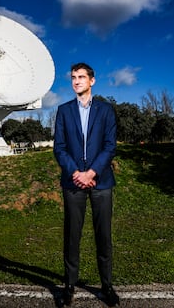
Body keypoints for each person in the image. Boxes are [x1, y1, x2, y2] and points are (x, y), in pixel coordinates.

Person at [53, 62, 119, 307]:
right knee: (72, 236)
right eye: (73, 77)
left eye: (81, 77)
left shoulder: (106, 110)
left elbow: (110, 146)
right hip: (73, 183)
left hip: (101, 182)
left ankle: (107, 286)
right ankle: (69, 285)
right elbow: (59, 148)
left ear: (92, 81)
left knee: (103, 235)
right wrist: (77, 173)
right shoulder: (63, 110)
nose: (76, 81)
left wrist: (91, 172)